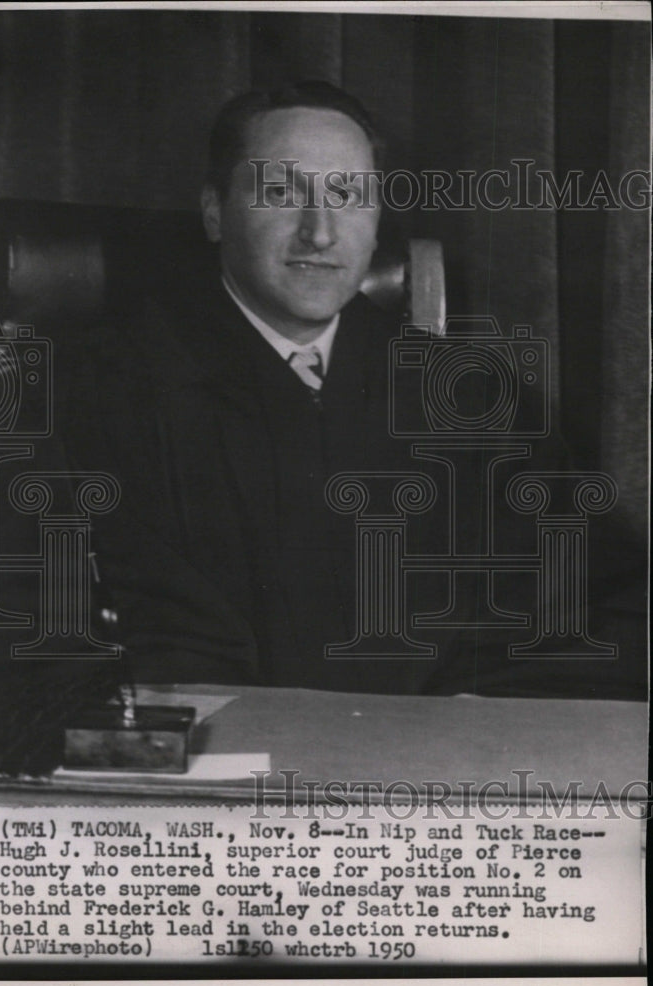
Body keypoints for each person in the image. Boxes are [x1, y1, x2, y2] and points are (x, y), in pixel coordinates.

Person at [61, 81, 646, 700]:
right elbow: (115, 637)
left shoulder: (472, 397)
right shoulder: (108, 392)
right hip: (231, 770)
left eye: (348, 194)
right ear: (215, 210)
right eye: (283, 192)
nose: (320, 232)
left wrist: (476, 712)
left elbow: (610, 597)